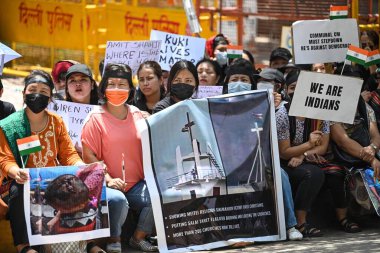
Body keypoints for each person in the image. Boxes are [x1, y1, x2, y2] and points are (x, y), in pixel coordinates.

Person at [0, 70, 104, 253]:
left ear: (50, 97)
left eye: (44, 91)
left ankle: (87, 243)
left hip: (50, 179)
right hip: (18, 180)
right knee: (20, 189)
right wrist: (16, 171)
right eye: (32, 89)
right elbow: (5, 158)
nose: (37, 94)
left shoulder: (56, 122)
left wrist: (82, 167)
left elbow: (68, 154)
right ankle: (24, 246)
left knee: (77, 185)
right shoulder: (9, 125)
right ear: (24, 93)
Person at [82, 63, 157, 252]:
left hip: (137, 184)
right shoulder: (95, 118)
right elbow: (88, 154)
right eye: (112, 84)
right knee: (117, 200)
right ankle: (113, 239)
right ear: (104, 87)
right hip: (106, 184)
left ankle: (138, 237)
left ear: (130, 89)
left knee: (159, 195)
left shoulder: (138, 115)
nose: (117, 89)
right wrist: (108, 180)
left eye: (122, 84)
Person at [276, 70, 327, 238]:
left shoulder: (321, 114)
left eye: (304, 87)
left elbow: (323, 147)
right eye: (293, 87)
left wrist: (303, 154)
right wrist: (309, 144)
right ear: (285, 89)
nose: (298, 92)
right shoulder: (282, 114)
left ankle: (301, 221)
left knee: (316, 172)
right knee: (311, 173)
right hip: (285, 164)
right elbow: (284, 153)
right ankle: (300, 224)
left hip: (304, 159)